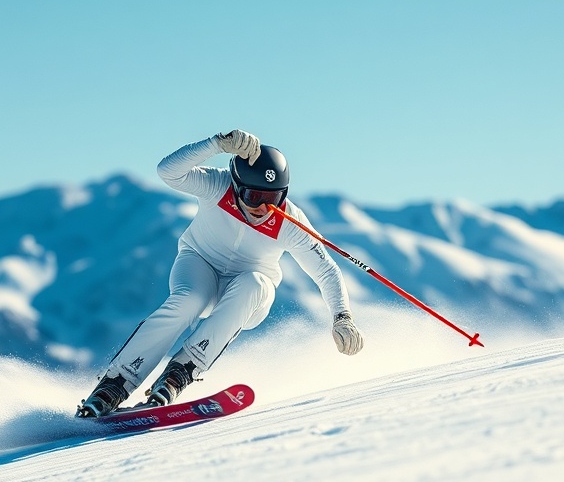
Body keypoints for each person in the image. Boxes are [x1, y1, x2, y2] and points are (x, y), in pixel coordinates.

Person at [76, 129, 364, 417]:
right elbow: (168, 172)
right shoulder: (218, 185)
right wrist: (215, 144)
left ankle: (179, 374)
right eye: (253, 196)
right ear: (237, 187)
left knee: (254, 283)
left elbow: (325, 270)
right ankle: (114, 385)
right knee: (188, 301)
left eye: (273, 198)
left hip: (247, 295)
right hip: (199, 265)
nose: (264, 208)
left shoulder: (288, 221)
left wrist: (343, 316)